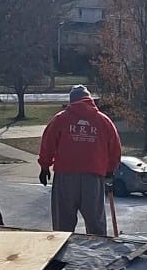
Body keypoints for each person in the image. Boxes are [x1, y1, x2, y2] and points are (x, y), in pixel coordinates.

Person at [37, 85, 121, 236]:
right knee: (96, 225)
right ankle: (98, 255)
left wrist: (44, 166)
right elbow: (115, 148)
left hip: (66, 177)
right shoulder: (104, 121)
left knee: (63, 225)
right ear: (89, 100)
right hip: (93, 178)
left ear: (72, 101)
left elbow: (48, 142)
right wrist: (110, 170)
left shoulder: (61, 119)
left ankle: (62, 255)